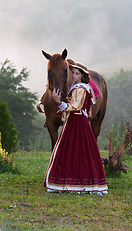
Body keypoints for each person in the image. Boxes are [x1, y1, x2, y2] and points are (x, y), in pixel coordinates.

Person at [44, 63, 108, 195]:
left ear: (82, 76)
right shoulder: (76, 87)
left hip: (77, 122)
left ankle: (76, 181)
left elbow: (75, 106)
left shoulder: (80, 89)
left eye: (76, 73)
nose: (73, 75)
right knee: (75, 151)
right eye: (72, 73)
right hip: (74, 120)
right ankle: (73, 179)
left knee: (74, 151)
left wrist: (58, 102)